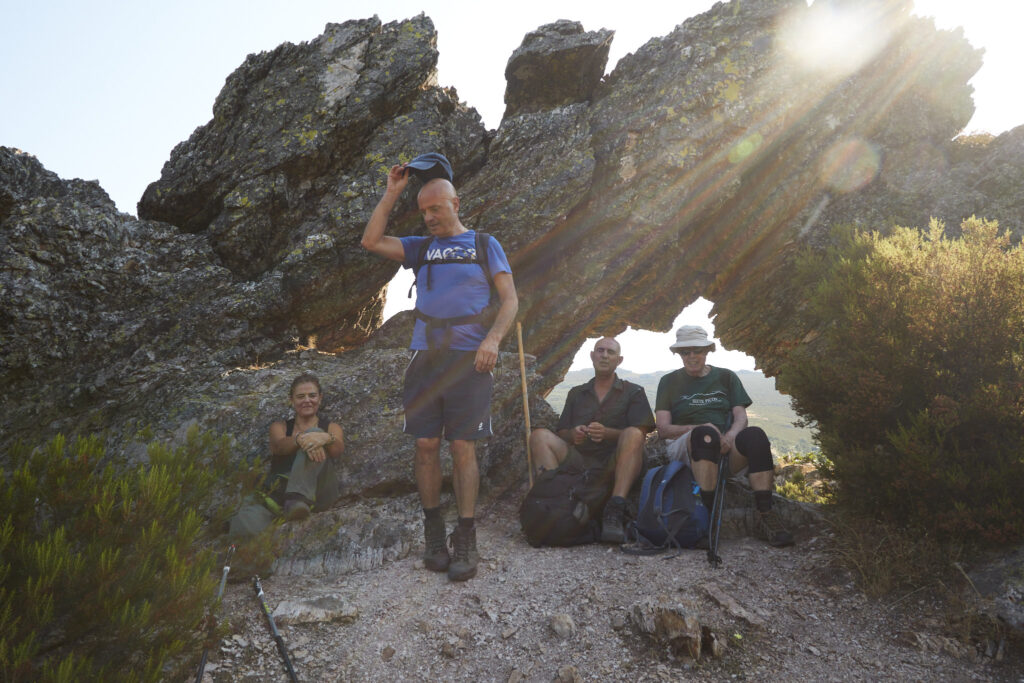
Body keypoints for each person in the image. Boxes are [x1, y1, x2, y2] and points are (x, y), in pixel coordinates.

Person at [360, 153, 518, 581]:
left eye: (435, 209)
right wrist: (392, 194)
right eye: (424, 211)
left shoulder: (485, 244)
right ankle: (434, 531)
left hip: (470, 359)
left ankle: (465, 536)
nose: (429, 217)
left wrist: (492, 340)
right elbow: (371, 241)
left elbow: (511, 300)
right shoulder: (420, 248)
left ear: (456, 204)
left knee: (462, 447)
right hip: (425, 358)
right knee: (426, 445)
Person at [654, 325, 794, 547]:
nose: (691, 356)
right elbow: (663, 429)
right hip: (687, 448)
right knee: (704, 435)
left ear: (707, 350)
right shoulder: (669, 382)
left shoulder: (726, 377)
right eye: (685, 352)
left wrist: (729, 436)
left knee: (755, 436)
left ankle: (765, 515)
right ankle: (706, 519)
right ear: (679, 354)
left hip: (724, 448)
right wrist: (696, 427)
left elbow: (741, 417)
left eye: (697, 350)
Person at [529, 337, 655, 543]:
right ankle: (556, 504)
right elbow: (562, 433)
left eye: (610, 352)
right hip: (580, 463)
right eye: (600, 350)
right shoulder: (576, 393)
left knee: (632, 434)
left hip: (615, 464)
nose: (604, 355)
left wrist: (608, 433)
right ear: (592, 356)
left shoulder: (634, 392)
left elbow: (641, 433)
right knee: (539, 436)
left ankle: (615, 509)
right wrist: (574, 434)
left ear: (619, 360)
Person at [228, 373, 345, 537]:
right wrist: (300, 439)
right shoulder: (280, 427)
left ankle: (298, 499)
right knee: (244, 523)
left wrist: (325, 437)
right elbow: (278, 447)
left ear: (320, 398)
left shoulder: (331, 427)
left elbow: (337, 449)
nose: (307, 400)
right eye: (300, 396)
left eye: (312, 395)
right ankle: (240, 553)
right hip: (279, 496)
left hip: (318, 494)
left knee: (315, 432)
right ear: (292, 400)